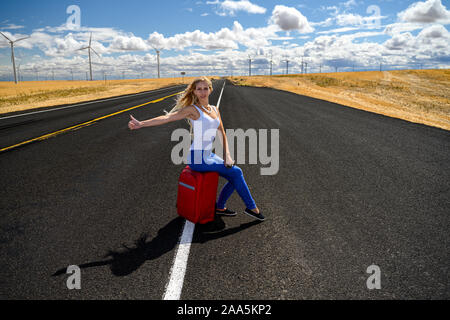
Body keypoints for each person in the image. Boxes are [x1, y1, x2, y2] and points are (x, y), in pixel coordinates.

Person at [128, 76, 265, 221]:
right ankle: (252, 209)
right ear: (194, 92)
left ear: (210, 90)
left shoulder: (214, 109)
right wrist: (141, 124)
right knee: (237, 172)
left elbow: (221, 132)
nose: (203, 92)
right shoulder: (193, 110)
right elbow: (167, 118)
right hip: (197, 158)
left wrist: (227, 155)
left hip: (209, 154)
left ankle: (220, 207)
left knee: (234, 174)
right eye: (199, 89)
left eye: (205, 88)